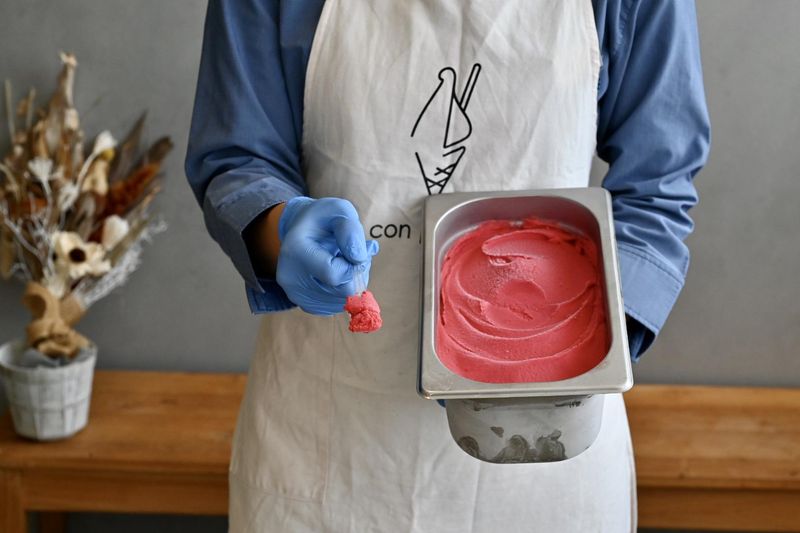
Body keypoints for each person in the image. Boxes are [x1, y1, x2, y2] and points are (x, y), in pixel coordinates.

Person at [185, 0, 710, 531]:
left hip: (550, 446)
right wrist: (281, 229)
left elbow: (658, 184)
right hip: (328, 441)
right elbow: (239, 156)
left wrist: (574, 351)